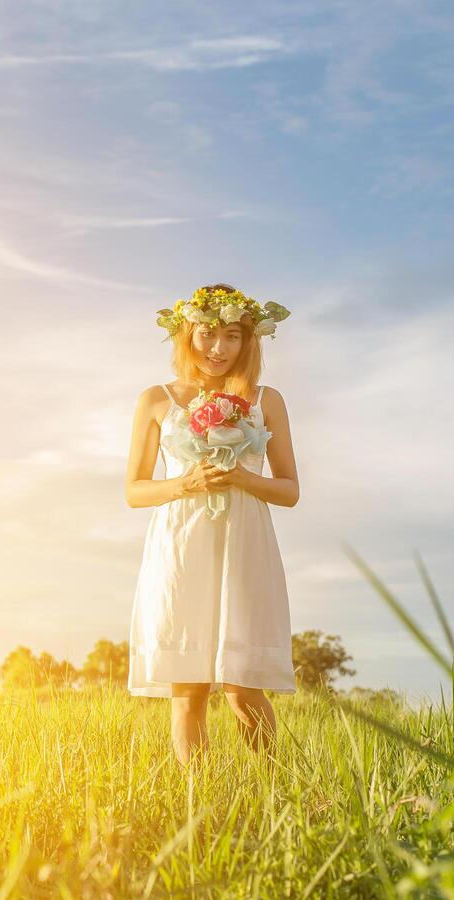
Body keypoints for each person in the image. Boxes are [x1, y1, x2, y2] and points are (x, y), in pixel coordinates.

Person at [124, 283, 301, 767]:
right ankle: (197, 804)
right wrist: (186, 483)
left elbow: (289, 490)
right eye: (207, 334)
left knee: (243, 687)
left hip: (244, 544)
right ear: (186, 335)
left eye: (233, 336)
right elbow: (135, 490)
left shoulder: (268, 400)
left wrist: (243, 476)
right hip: (181, 547)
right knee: (189, 690)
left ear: (249, 341)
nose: (219, 348)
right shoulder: (157, 400)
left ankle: (278, 789)